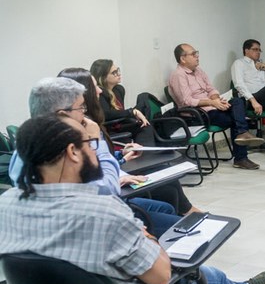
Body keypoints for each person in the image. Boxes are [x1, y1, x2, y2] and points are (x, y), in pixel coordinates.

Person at [0, 114, 265, 284]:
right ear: (73, 152)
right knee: (202, 276)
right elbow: (159, 277)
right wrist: (148, 239)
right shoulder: (103, 211)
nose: (97, 152)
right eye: (91, 144)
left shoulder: (6, 204)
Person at [8, 77, 181, 235]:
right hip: (96, 219)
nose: (84, 112)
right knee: (178, 225)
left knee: (165, 207)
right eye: (81, 107)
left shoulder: (26, 147)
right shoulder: (65, 151)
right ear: (62, 114)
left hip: (89, 213)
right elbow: (107, 190)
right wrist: (95, 140)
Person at [59, 67, 202, 216]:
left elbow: (100, 161)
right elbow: (97, 177)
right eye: (94, 87)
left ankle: (186, 213)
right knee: (165, 191)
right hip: (105, 202)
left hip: (111, 182)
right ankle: (185, 216)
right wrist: (118, 173)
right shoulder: (80, 129)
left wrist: (121, 154)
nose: (100, 91)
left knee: (167, 187)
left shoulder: (93, 116)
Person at [168, 43, 263, 171]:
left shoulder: (199, 71)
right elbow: (187, 101)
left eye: (197, 53)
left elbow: (211, 89)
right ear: (182, 59)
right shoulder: (178, 75)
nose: (197, 56)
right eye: (193, 54)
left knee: (237, 101)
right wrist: (211, 103)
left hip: (212, 107)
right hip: (197, 114)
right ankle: (241, 153)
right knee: (236, 119)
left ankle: (242, 136)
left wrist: (217, 100)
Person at [90, 59, 150, 138]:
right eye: (114, 73)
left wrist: (133, 114)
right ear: (103, 77)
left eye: (117, 70)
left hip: (121, 121)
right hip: (112, 128)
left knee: (144, 102)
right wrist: (131, 112)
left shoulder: (118, 89)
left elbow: (120, 111)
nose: (118, 74)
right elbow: (106, 114)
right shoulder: (100, 93)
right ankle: (147, 150)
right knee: (145, 127)